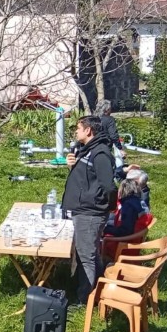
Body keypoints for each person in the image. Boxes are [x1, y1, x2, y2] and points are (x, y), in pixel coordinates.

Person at [62, 115, 117, 305]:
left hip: (90, 213)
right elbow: (86, 179)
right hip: (84, 210)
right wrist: (72, 166)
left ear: (88, 130)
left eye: (78, 128)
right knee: (90, 253)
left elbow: (109, 186)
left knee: (86, 257)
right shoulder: (86, 149)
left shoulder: (100, 153)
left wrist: (109, 207)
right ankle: (99, 289)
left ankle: (85, 300)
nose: (76, 132)